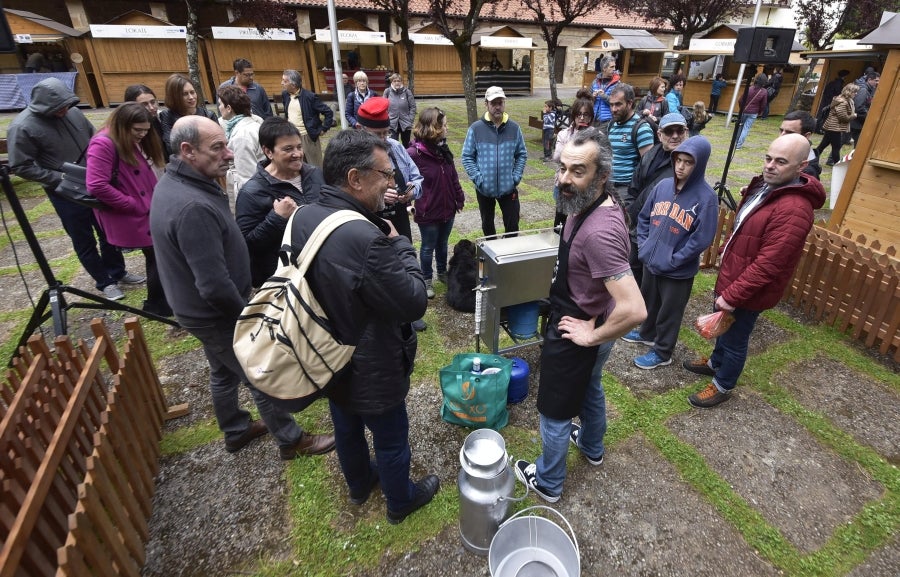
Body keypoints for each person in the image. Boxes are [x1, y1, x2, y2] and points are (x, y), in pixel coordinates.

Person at [149, 115, 335, 458]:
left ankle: (235, 428)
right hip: (213, 311)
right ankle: (291, 440)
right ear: (187, 151)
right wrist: (249, 319)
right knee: (259, 372)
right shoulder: (192, 206)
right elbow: (213, 284)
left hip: (195, 307)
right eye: (218, 147)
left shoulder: (181, 183)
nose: (230, 154)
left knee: (223, 370)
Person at [290, 128, 438, 523]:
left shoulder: (304, 214)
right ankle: (400, 501)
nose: (392, 184)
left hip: (324, 350)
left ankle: (358, 486)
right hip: (371, 360)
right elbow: (412, 301)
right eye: (386, 175)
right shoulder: (365, 236)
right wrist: (400, 245)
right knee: (390, 438)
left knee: (346, 422)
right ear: (354, 178)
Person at [512, 127, 646, 502]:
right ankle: (591, 446)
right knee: (591, 388)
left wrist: (593, 335)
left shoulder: (598, 233)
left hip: (578, 332)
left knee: (554, 412)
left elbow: (635, 309)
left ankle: (549, 483)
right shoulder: (589, 201)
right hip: (590, 315)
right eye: (562, 168)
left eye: (577, 171)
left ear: (602, 176)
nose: (564, 180)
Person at [683, 133, 826, 408]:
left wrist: (733, 295)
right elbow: (742, 228)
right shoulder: (767, 187)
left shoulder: (795, 209)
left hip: (749, 291)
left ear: (801, 166)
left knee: (736, 338)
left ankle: (723, 384)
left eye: (781, 161)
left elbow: (769, 264)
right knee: (724, 327)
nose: (770, 165)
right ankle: (715, 362)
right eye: (768, 158)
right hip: (734, 278)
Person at [7, 78, 142, 301]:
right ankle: (104, 281)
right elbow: (21, 165)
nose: (64, 111)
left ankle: (118, 272)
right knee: (83, 238)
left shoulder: (74, 113)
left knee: (108, 230)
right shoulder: (22, 126)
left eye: (66, 106)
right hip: (65, 192)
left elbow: (97, 138)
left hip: (96, 182)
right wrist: (58, 178)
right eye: (58, 108)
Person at [626, 136, 718, 369]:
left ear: (700, 165)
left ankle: (663, 351)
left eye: (688, 162)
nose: (681, 166)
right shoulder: (663, 186)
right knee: (649, 300)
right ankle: (647, 333)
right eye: (678, 160)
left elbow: (701, 238)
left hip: (677, 271)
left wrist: (675, 259)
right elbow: (645, 217)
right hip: (651, 260)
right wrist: (645, 246)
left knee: (670, 311)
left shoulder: (706, 198)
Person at [85, 103, 171, 316]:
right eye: (138, 130)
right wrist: (132, 204)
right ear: (123, 125)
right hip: (136, 213)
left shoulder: (126, 139)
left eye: (146, 130)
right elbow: (96, 184)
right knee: (158, 256)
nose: (142, 134)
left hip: (147, 207)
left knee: (158, 256)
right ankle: (158, 305)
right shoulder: (103, 143)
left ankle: (161, 302)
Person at [236, 117, 325, 288]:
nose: (297, 154)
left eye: (299, 147)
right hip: (285, 281)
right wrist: (277, 218)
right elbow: (247, 245)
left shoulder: (315, 174)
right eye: (288, 149)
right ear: (268, 152)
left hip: (320, 269)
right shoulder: (252, 192)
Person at [623, 112, 688, 286]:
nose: (675, 136)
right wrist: (630, 215)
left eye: (679, 131)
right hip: (637, 227)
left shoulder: (690, 163)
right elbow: (634, 188)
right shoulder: (650, 155)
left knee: (652, 282)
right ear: (659, 134)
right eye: (669, 131)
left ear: (686, 132)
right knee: (631, 271)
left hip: (661, 233)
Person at [408, 107, 466, 298]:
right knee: (427, 246)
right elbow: (407, 183)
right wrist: (411, 203)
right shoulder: (414, 153)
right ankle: (426, 279)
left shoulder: (443, 148)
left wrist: (459, 197)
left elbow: (453, 176)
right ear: (434, 127)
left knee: (443, 243)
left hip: (447, 207)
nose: (447, 128)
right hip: (428, 210)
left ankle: (442, 273)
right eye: (444, 125)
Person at [461, 86, 528, 237]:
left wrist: (515, 177)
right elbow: (466, 156)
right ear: (486, 104)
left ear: (504, 103)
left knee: (512, 226)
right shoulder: (475, 129)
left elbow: (521, 154)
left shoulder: (514, 128)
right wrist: (479, 179)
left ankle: (510, 255)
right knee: (487, 226)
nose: (498, 107)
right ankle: (492, 256)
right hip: (484, 189)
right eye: (494, 103)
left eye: (500, 102)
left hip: (508, 188)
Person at [217, 85, 264, 210]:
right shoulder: (251, 124)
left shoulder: (242, 135)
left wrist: (247, 205)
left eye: (220, 104)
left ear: (228, 108)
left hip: (250, 194)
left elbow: (247, 175)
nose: (219, 108)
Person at [552, 92, 595, 228]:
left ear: (590, 117)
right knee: (560, 221)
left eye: (586, 114)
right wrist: (575, 140)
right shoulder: (564, 134)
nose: (582, 118)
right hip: (564, 183)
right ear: (574, 115)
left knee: (581, 222)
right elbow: (557, 157)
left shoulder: (596, 135)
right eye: (579, 114)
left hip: (584, 186)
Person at [607, 83, 655, 202]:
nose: (613, 109)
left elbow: (648, 166)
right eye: (611, 105)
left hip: (626, 189)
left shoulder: (641, 128)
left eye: (618, 104)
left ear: (630, 103)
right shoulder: (612, 125)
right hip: (608, 185)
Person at [280, 69, 334, 168]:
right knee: (297, 166)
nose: (282, 83)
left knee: (314, 166)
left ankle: (318, 183)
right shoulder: (285, 95)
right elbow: (288, 113)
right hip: (291, 136)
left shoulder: (310, 97)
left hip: (307, 137)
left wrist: (324, 128)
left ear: (293, 84)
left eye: (285, 81)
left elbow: (328, 112)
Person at [158, 73, 217, 149]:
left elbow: (218, 142)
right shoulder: (167, 116)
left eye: (192, 92)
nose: (191, 97)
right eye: (184, 94)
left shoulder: (209, 115)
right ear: (174, 97)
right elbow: (172, 146)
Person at [814, 83, 858, 167]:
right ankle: (838, 165)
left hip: (833, 126)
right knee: (836, 147)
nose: (856, 94)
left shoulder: (846, 100)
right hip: (834, 127)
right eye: (854, 92)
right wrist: (854, 116)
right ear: (849, 92)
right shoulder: (842, 102)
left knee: (822, 145)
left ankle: (812, 159)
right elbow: (843, 117)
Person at [124, 84, 169, 157]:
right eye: (144, 104)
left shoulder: (163, 118)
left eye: (153, 102)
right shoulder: (128, 131)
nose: (151, 107)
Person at [780, 110, 822, 178]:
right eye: (781, 130)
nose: (781, 136)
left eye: (790, 132)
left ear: (806, 136)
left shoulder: (807, 173)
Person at [735, 74, 769, 150]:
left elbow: (740, 100)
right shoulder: (764, 92)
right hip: (754, 112)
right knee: (746, 128)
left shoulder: (749, 88)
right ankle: (738, 145)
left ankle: (735, 142)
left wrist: (742, 108)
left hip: (744, 111)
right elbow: (763, 104)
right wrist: (759, 112)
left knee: (740, 126)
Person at [383, 73, 417, 148]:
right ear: (391, 82)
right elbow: (383, 107)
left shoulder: (407, 92)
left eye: (398, 81)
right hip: (392, 123)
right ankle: (395, 159)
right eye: (394, 81)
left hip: (405, 123)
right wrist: (387, 118)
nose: (397, 83)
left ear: (401, 82)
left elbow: (413, 107)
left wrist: (410, 119)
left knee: (406, 144)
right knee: (393, 145)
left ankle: (406, 159)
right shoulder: (387, 91)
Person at [591, 56, 619, 132]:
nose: (614, 69)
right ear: (604, 68)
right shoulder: (594, 82)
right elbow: (589, 101)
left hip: (608, 120)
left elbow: (618, 103)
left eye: (614, 67)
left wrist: (604, 96)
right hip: (594, 119)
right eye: (612, 67)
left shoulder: (617, 84)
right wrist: (592, 97)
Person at [850, 71, 879, 145]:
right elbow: (858, 106)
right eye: (876, 80)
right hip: (855, 122)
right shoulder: (864, 90)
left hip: (856, 122)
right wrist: (868, 114)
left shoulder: (868, 90)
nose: (877, 83)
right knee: (842, 142)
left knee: (857, 144)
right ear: (869, 80)